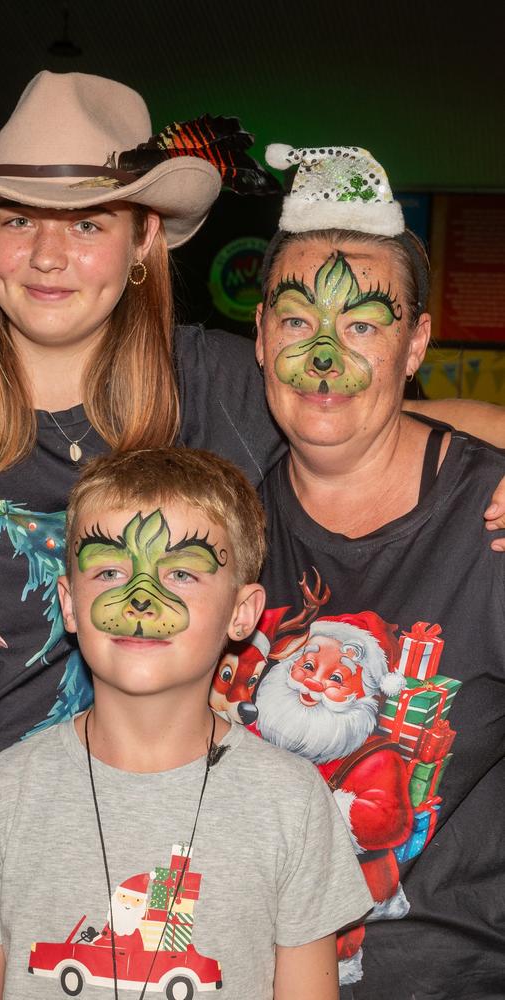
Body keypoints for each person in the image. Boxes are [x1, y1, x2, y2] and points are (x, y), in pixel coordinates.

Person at [0, 70, 503, 1000]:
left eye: (88, 223)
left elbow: (369, 395)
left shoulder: (211, 389)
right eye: (16, 218)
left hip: (138, 894)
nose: (47, 255)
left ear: (143, 242)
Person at [0, 447, 372, 1000]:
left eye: (181, 573)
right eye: (109, 570)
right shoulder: (3, 793)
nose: (140, 599)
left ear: (242, 612)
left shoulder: (294, 802)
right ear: (69, 603)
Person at [224, 142, 505, 999]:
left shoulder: (493, 521)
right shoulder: (222, 525)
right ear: (263, 337)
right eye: (299, 321)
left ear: (415, 343)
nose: (323, 356)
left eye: (363, 325)